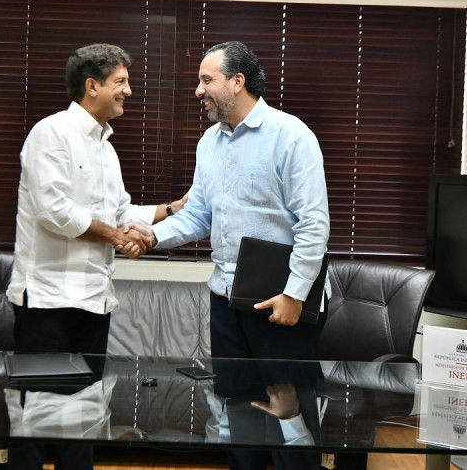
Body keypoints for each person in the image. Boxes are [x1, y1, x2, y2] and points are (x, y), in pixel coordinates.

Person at [130, 41, 330, 470]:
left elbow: (313, 225)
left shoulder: (291, 135)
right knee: (237, 413)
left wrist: (295, 295)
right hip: (225, 300)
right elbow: (199, 215)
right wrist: (150, 236)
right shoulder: (210, 142)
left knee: (290, 420)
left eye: (207, 80)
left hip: (281, 304)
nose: (198, 91)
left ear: (237, 82)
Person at [5, 43, 185, 470]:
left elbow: (123, 212)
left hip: (93, 300)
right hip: (48, 303)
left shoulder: (106, 148)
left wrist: (178, 208)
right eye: (120, 82)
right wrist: (118, 239)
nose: (129, 91)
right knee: (35, 418)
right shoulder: (51, 133)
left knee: (84, 417)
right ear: (92, 86)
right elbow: (55, 212)